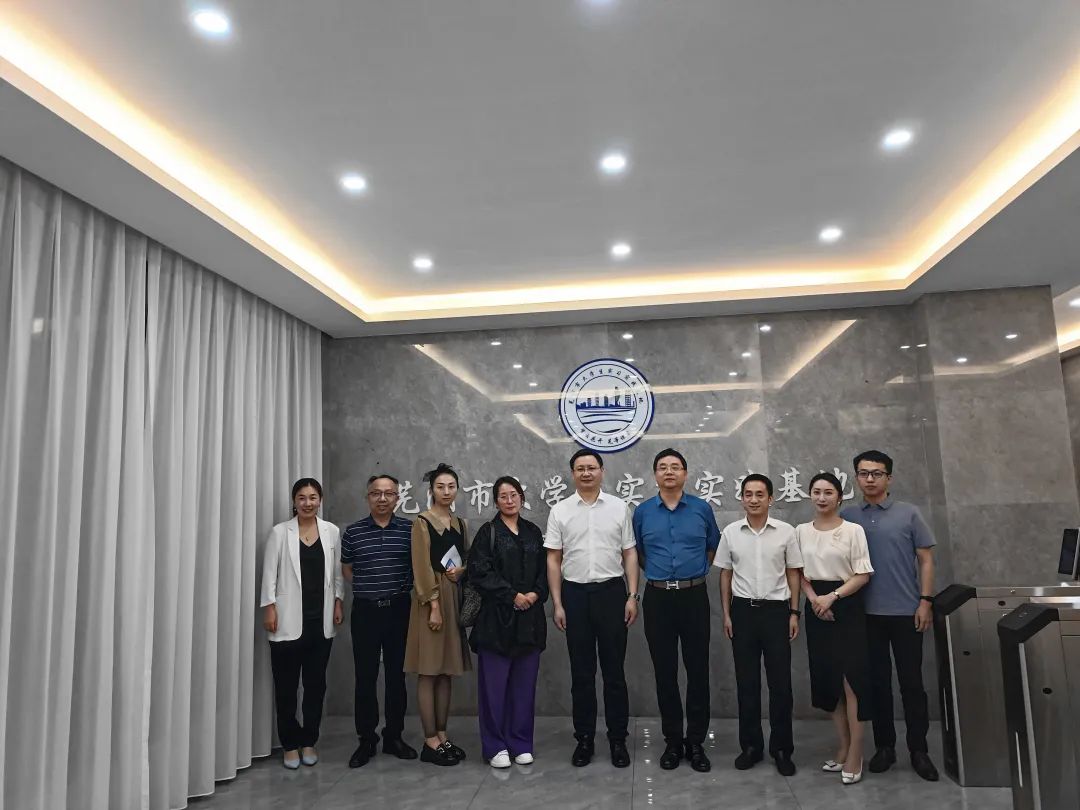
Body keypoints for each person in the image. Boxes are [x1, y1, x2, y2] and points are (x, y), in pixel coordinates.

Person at [841, 450, 939, 781]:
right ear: (856, 477)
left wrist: (925, 601)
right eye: (863, 473)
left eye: (877, 473)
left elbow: (926, 560)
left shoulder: (908, 513)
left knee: (912, 683)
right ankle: (885, 747)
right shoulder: (848, 516)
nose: (870, 479)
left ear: (889, 478)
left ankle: (919, 750)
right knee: (877, 684)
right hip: (865, 615)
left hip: (906, 612)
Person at [545, 448, 639, 769]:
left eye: (591, 468)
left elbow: (629, 553)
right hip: (574, 595)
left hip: (612, 593)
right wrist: (558, 603)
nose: (586, 473)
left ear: (602, 471)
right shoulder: (560, 510)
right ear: (573, 474)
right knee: (581, 674)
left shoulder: (619, 507)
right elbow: (553, 558)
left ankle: (618, 739)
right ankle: (584, 738)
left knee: (614, 673)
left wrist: (632, 595)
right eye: (580, 468)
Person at [632, 448, 720, 773]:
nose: (669, 472)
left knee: (698, 671)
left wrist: (691, 573)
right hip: (658, 598)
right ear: (655, 474)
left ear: (685, 473)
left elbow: (712, 547)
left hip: (694, 596)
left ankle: (695, 742)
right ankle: (672, 741)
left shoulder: (701, 509)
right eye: (663, 467)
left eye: (675, 467)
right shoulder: (642, 512)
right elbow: (638, 553)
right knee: (664, 672)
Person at [716, 473, 802, 776]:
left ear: (770, 499)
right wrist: (727, 614)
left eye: (759, 494)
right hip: (742, 612)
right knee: (747, 683)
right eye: (748, 494)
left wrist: (794, 612)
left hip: (776, 612)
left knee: (781, 685)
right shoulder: (731, 532)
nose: (753, 500)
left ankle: (782, 749)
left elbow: (793, 573)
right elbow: (725, 574)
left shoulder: (786, 532)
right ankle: (751, 746)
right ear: (741, 498)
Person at [259, 478, 344, 769]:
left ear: (320, 500)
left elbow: (336, 574)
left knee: (315, 686)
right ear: (294, 501)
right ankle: (289, 744)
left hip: (320, 622)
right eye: (302, 498)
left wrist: (338, 601)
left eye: (313, 497)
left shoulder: (331, 531)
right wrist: (269, 608)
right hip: (286, 621)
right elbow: (269, 574)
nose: (308, 503)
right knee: (286, 688)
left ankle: (309, 740)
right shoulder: (280, 532)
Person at [796, 472, 874, 785]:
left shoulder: (853, 530)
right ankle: (842, 746)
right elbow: (797, 572)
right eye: (816, 491)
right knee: (829, 680)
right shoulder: (801, 531)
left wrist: (832, 597)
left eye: (828, 492)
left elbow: (863, 574)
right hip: (816, 605)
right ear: (810, 495)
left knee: (852, 680)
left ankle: (856, 752)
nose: (822, 497)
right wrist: (815, 600)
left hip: (847, 603)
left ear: (840, 497)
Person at [467, 476, 549, 769]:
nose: (509, 500)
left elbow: (545, 570)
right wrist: (512, 595)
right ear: (496, 501)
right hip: (496, 621)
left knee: (523, 688)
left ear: (522, 498)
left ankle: (521, 742)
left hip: (529, 620)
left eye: (514, 495)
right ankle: (495, 745)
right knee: (494, 689)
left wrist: (535, 594)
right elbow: (479, 572)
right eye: (503, 496)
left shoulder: (533, 531)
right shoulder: (488, 533)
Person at [341, 474, 418, 768]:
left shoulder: (410, 530)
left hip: (399, 610)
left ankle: (394, 737)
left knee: (397, 676)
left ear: (398, 497)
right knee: (365, 676)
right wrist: (370, 588)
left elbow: (416, 568)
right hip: (366, 612)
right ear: (368, 497)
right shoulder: (353, 532)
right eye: (376, 493)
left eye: (389, 493)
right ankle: (366, 739)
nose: (382, 498)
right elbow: (347, 569)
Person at [404, 463, 471, 767]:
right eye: (440, 486)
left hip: (453, 596)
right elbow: (420, 566)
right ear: (431, 490)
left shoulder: (460, 523)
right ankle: (430, 739)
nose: (446, 492)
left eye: (451, 486)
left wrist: (463, 570)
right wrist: (433, 605)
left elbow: (466, 559)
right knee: (429, 670)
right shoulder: (422, 522)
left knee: (446, 670)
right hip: (430, 599)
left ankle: (443, 735)